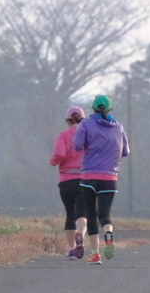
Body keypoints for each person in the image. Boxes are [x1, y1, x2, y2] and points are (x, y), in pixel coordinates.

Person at [73, 94, 129, 264]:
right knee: (105, 215)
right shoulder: (118, 126)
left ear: (93, 107)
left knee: (91, 214)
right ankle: (109, 234)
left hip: (89, 176)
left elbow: (77, 145)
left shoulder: (86, 124)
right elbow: (125, 151)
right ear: (110, 108)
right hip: (110, 177)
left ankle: (96, 254)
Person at [50, 105, 86, 259]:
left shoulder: (63, 136)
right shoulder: (89, 136)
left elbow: (59, 153)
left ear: (67, 120)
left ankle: (71, 249)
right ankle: (81, 237)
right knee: (82, 213)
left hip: (66, 180)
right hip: (85, 178)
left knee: (70, 214)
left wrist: (53, 161)